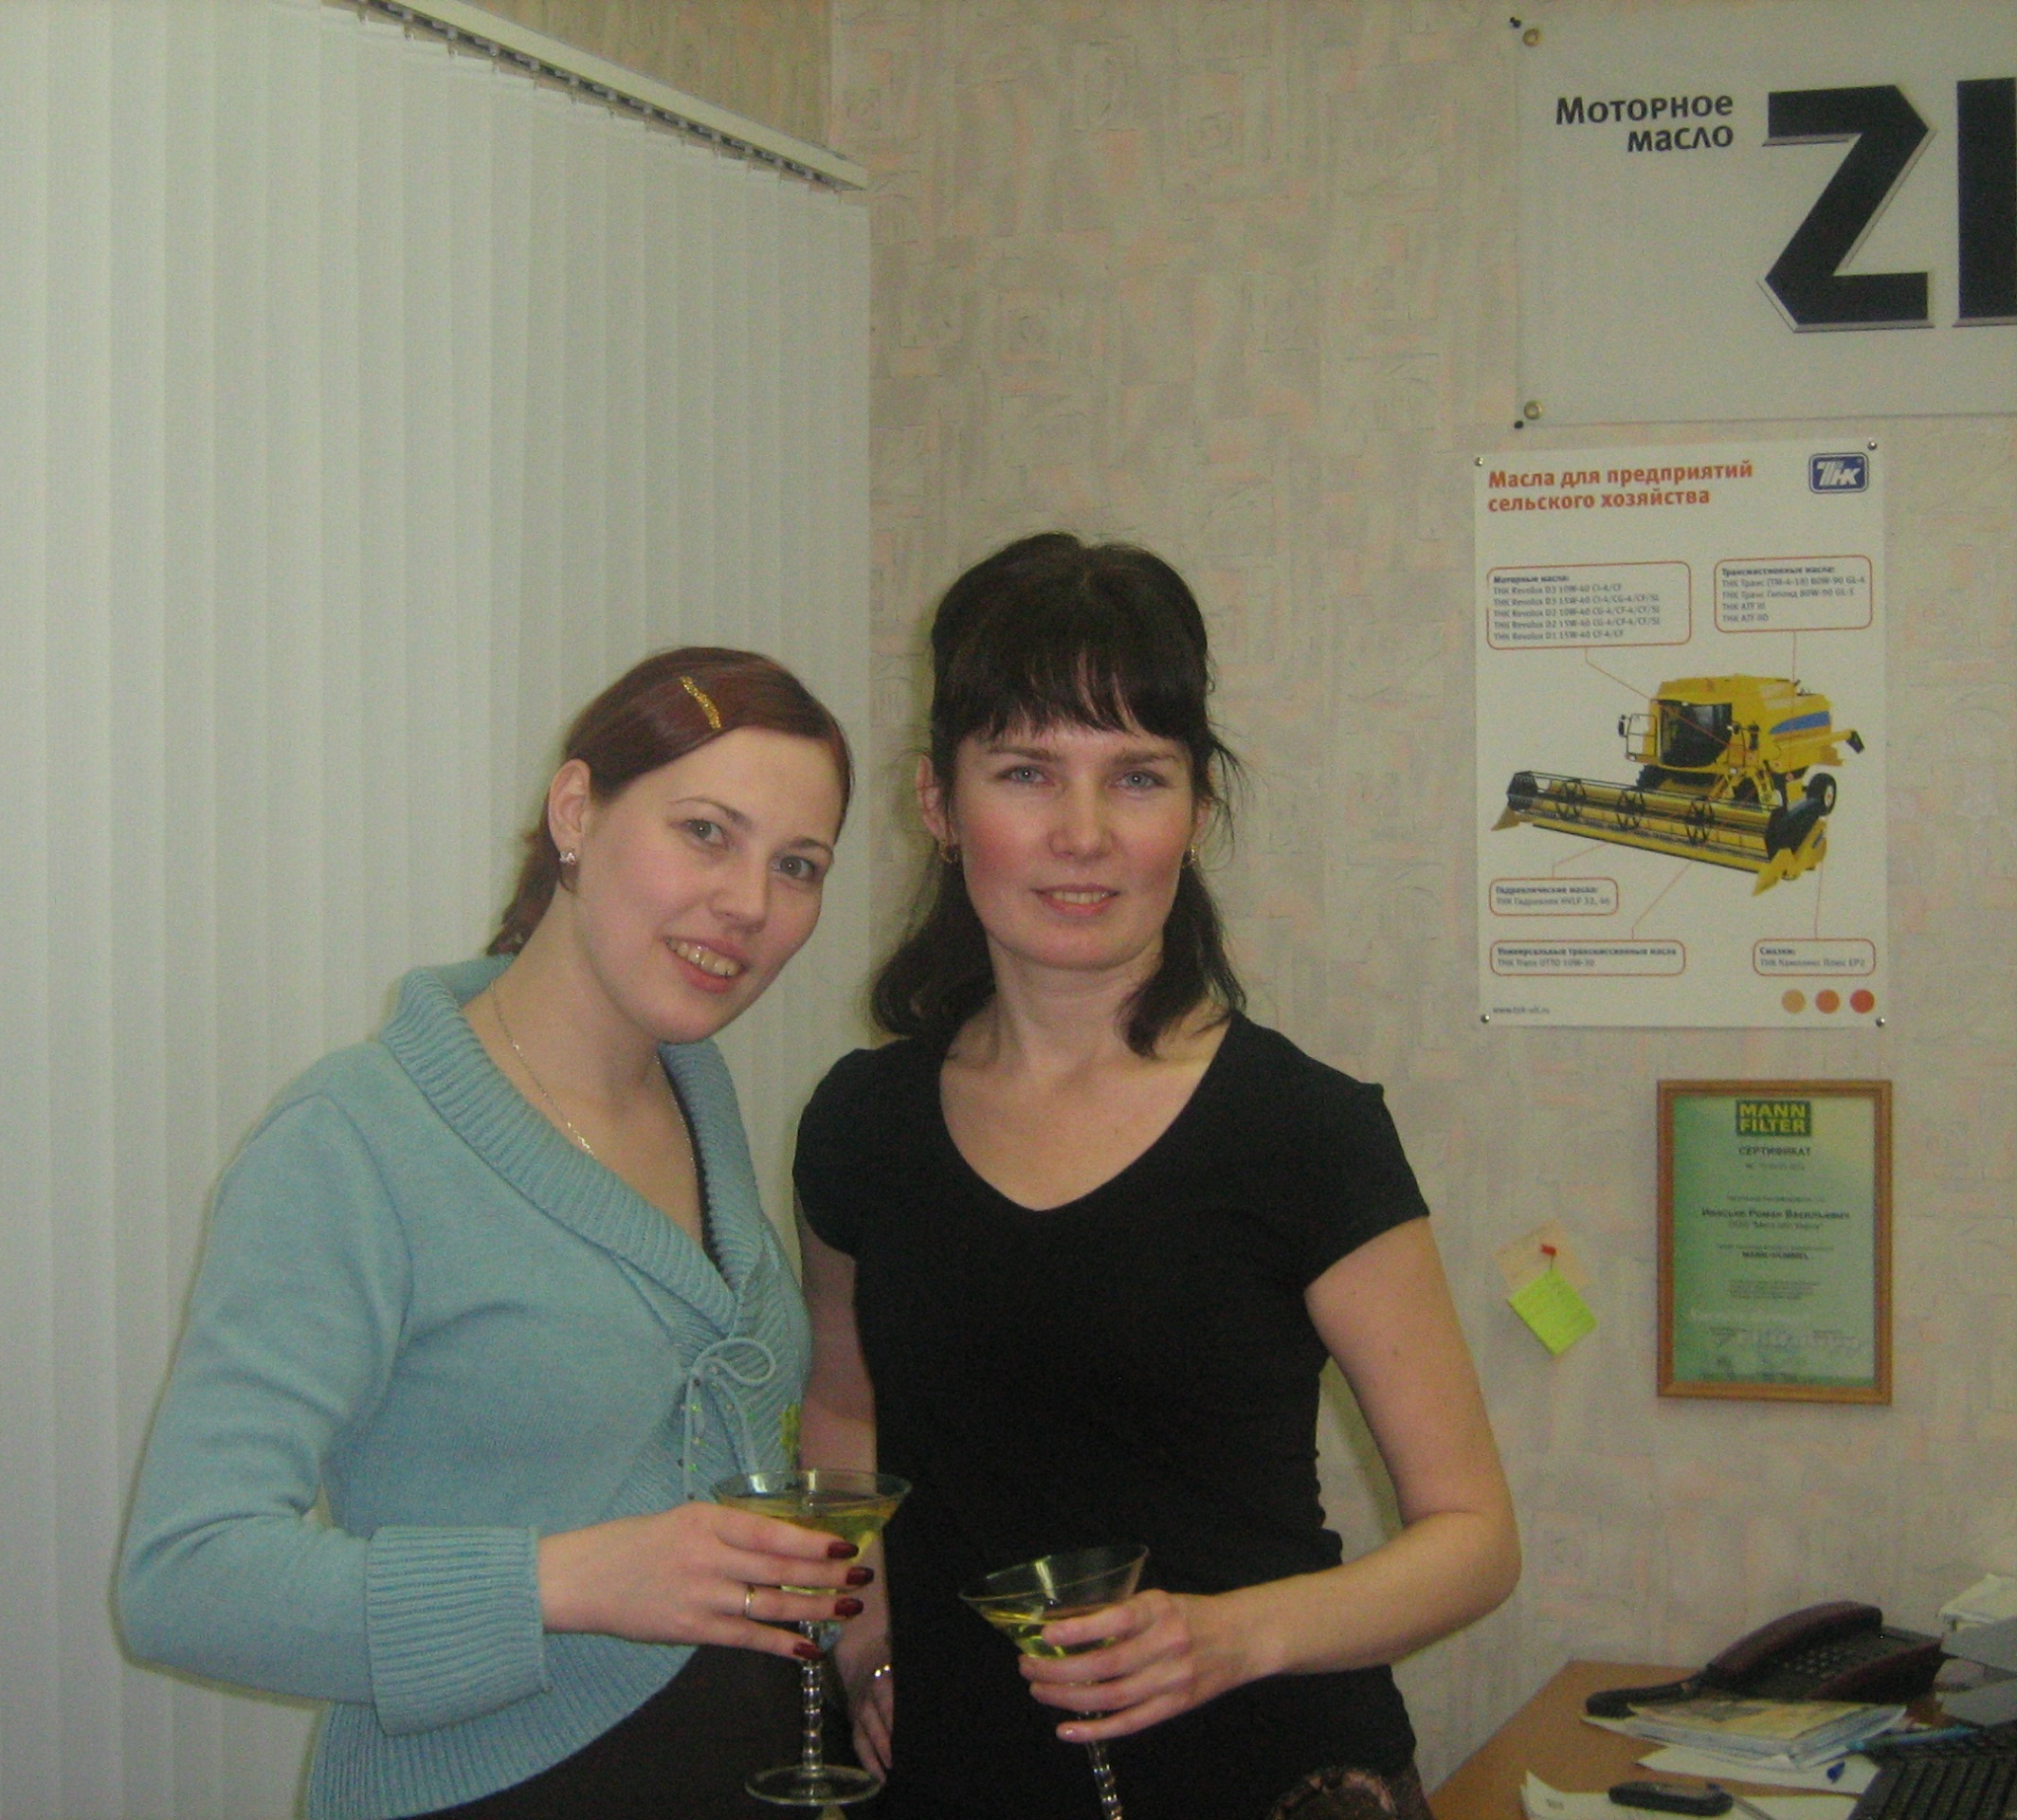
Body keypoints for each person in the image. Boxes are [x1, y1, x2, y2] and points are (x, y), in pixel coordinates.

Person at [793, 536, 1519, 1820]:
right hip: (960, 1783)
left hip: (1276, 1781)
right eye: (1026, 773)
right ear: (939, 803)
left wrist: (1232, 1635)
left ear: (1196, 809)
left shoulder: (1301, 1130)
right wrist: (869, 1644)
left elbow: (1472, 1540)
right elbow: (846, 1422)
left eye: (1137, 776)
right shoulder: (862, 1126)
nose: (1082, 836)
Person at [118, 647, 872, 1820]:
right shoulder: (356, 1138)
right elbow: (184, 1581)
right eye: (705, 833)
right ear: (575, 811)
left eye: (797, 866)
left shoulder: (695, 1092)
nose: (750, 905)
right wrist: (568, 1579)